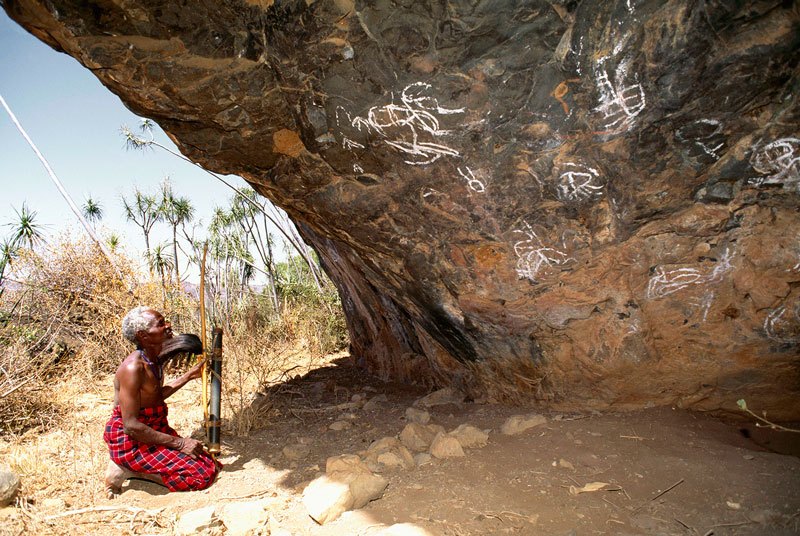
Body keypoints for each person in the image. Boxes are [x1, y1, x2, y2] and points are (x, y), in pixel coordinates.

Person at [103, 306, 218, 497]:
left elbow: (154, 396)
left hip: (151, 430)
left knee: (208, 462)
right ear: (143, 335)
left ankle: (135, 467)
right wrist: (180, 443)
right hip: (132, 439)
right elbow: (131, 426)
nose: (168, 326)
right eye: (161, 323)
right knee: (200, 475)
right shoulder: (133, 368)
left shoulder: (152, 359)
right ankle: (129, 468)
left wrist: (188, 376)